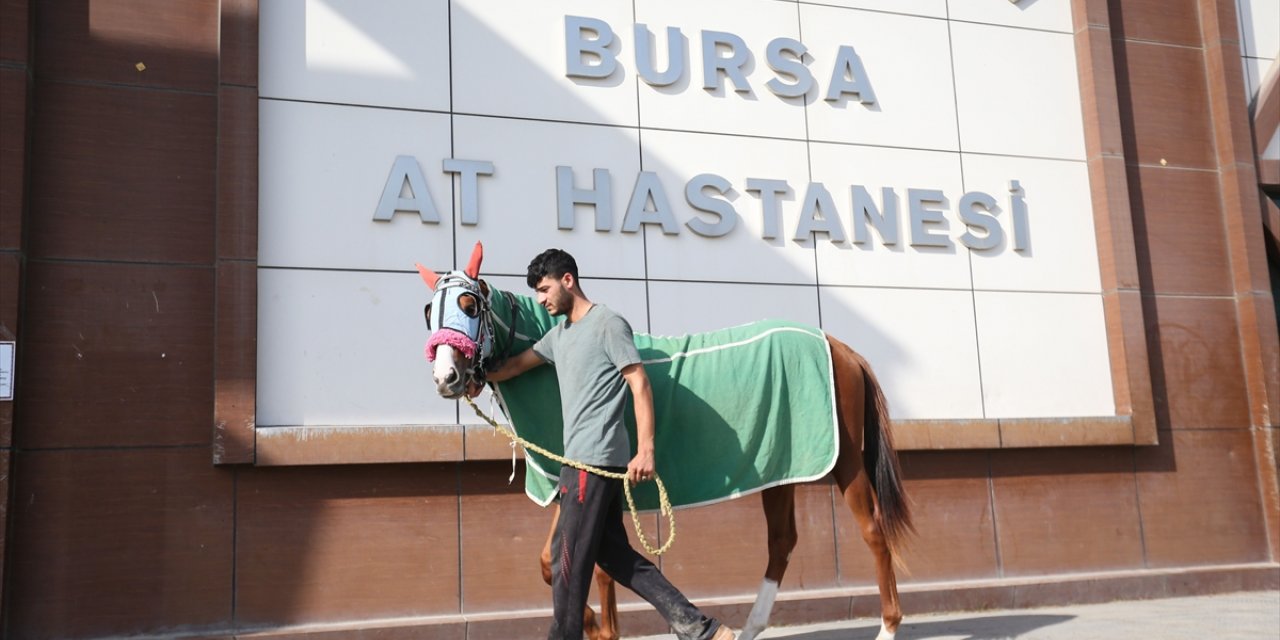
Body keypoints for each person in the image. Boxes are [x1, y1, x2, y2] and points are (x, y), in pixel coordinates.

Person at [480, 248, 734, 640]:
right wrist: (475, 377)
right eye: (536, 294)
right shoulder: (558, 336)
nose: (541, 300)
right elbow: (515, 366)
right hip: (578, 462)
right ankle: (701, 629)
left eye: (545, 290)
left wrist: (646, 449)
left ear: (568, 280)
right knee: (614, 556)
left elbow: (639, 383)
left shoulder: (608, 324)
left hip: (593, 461)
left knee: (568, 563)